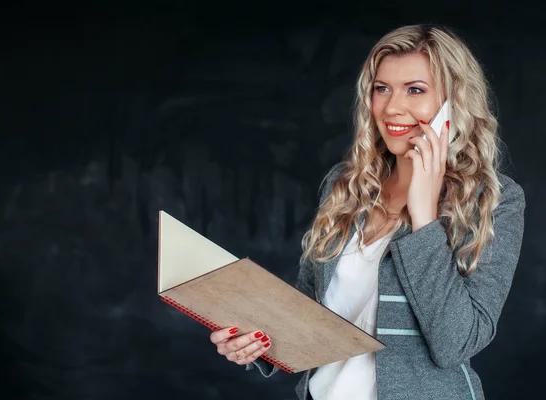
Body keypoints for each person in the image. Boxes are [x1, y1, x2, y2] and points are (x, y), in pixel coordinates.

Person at [209, 23, 525, 400]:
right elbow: (312, 314)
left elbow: (456, 343)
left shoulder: (494, 201)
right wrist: (259, 343)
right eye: (382, 89)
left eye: (416, 90)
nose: (392, 107)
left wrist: (424, 216)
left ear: (453, 103)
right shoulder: (346, 187)